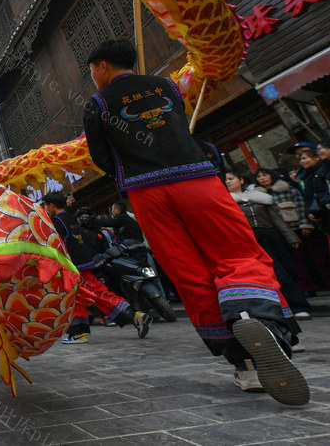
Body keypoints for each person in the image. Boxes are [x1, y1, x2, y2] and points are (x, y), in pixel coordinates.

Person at [82, 38, 307, 405]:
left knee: (189, 273)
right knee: (237, 253)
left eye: (91, 69)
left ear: (102, 66)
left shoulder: (98, 104)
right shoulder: (168, 86)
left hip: (147, 194)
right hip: (197, 180)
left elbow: (101, 157)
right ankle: (263, 323)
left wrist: (133, 169)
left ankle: (245, 364)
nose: (92, 77)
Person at [41, 193, 150, 343]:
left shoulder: (56, 221)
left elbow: (57, 245)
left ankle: (132, 316)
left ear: (51, 205)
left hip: (73, 266)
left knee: (94, 293)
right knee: (77, 297)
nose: (46, 208)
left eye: (46, 205)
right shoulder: (68, 217)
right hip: (81, 263)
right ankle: (80, 332)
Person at [225, 172, 310, 320]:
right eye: (225, 181)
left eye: (231, 179)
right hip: (251, 241)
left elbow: (276, 219)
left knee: (289, 268)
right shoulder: (227, 202)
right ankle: (295, 307)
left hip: (273, 236)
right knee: (275, 273)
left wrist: (291, 237)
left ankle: (297, 303)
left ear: (241, 179)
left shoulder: (260, 197)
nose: (228, 182)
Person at [255, 168, 328, 296]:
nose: (262, 178)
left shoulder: (288, 189)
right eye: (259, 177)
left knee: (311, 257)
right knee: (295, 262)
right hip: (280, 233)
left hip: (297, 228)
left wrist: (305, 224)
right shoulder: (259, 197)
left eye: (265, 175)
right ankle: (307, 288)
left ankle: (323, 283)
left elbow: (301, 206)